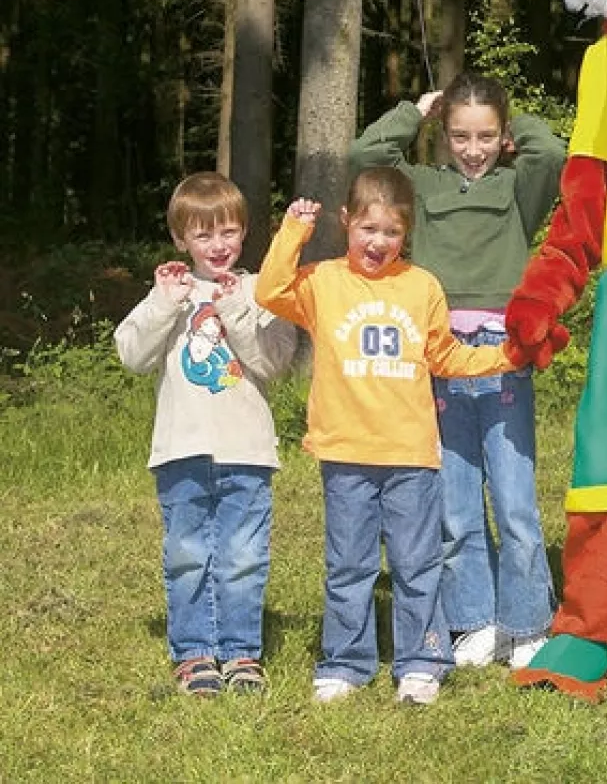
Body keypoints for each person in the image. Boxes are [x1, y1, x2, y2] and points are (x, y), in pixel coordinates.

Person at [254, 167, 522, 705]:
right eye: (368, 229)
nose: (378, 243)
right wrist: (292, 233)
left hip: (411, 455)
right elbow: (270, 290)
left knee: (416, 562)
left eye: (392, 233)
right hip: (345, 452)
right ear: (346, 222)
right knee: (349, 565)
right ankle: (345, 662)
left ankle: (421, 660)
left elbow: (445, 356)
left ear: (408, 234)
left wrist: (507, 356)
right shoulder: (323, 282)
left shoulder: (421, 286)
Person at [350, 73, 564, 671]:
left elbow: (552, 152)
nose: (474, 149)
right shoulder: (420, 186)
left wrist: (518, 126)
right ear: (442, 134)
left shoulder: (519, 187)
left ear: (502, 137)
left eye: (487, 136)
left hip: (502, 355)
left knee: (514, 495)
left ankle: (526, 623)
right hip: (437, 351)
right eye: (461, 136)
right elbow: (366, 156)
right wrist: (416, 110)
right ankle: (475, 620)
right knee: (457, 498)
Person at [114, 173, 298, 697]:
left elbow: (273, 362)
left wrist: (235, 307)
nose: (218, 246)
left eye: (229, 233)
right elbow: (132, 354)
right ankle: (194, 653)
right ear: (180, 240)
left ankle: (241, 653)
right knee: (188, 553)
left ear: (244, 233)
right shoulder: (171, 290)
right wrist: (163, 302)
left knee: (243, 554)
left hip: (247, 449)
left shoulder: (261, 288)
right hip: (181, 448)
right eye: (203, 235)